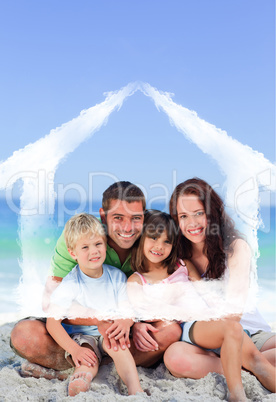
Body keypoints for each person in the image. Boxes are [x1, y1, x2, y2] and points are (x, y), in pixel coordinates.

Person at [10, 181, 181, 378]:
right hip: (79, 328)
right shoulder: (81, 239)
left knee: (170, 331)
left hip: (120, 331)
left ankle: (90, 368)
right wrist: (97, 318)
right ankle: (86, 363)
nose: (127, 228)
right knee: (23, 335)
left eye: (136, 218)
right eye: (118, 217)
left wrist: (134, 322)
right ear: (103, 216)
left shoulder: (151, 242)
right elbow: (49, 302)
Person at [128, 209, 275, 401]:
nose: (159, 246)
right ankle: (237, 395)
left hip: (212, 322)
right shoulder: (137, 280)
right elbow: (144, 311)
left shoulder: (182, 264)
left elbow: (205, 292)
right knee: (234, 331)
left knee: (258, 361)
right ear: (141, 238)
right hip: (191, 325)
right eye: (153, 238)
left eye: (167, 241)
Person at [163, 178, 276, 383]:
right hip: (201, 341)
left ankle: (247, 364)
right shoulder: (176, 255)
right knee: (174, 358)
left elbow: (233, 315)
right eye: (184, 216)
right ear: (176, 220)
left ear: (212, 213)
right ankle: (254, 365)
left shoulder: (236, 248)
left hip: (248, 334)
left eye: (199, 213)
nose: (192, 223)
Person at [46, 213, 143, 396]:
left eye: (98, 244)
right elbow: (52, 322)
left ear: (105, 244)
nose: (94, 251)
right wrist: (74, 349)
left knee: (118, 346)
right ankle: (81, 380)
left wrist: (125, 322)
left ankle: (135, 390)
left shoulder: (116, 276)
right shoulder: (71, 283)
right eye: (85, 247)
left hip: (110, 332)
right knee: (87, 357)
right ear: (73, 253)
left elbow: (126, 309)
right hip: (84, 336)